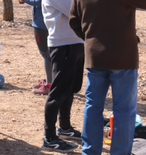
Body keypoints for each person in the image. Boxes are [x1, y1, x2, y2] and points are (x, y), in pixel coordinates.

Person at [69, 0, 146, 154]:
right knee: (124, 110)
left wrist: (92, 38)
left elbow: (73, 20)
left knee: (93, 106)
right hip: (123, 56)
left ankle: (90, 151)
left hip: (95, 56)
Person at [40, 0, 86, 152]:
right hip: (62, 44)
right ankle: (49, 137)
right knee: (58, 92)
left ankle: (65, 127)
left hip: (76, 42)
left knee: (70, 88)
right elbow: (78, 11)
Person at [21, 0, 52, 95]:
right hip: (45, 22)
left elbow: (40, 1)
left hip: (42, 24)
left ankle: (49, 85)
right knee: (49, 54)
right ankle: (51, 79)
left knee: (46, 54)